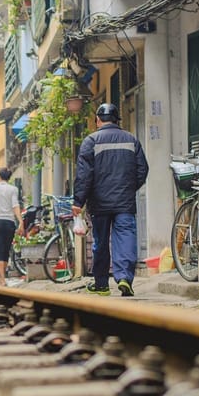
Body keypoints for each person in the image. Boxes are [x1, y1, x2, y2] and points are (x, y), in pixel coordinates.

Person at [72, 103, 149, 297]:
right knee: (125, 238)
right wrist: (129, 188)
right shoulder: (131, 140)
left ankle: (101, 284)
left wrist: (78, 202)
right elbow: (142, 170)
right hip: (125, 202)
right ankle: (124, 278)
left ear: (98, 120)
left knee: (100, 241)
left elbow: (84, 175)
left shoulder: (91, 141)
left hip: (99, 203)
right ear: (116, 120)